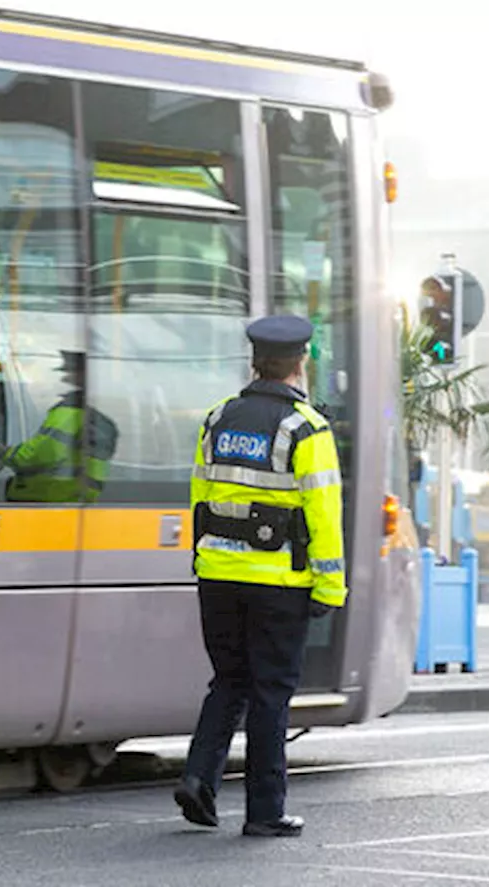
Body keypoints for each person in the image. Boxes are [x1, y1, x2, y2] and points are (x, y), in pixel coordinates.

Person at [173, 314, 347, 838]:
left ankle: (199, 779)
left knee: (228, 679)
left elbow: (200, 498)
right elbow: (323, 515)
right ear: (302, 362)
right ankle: (265, 811)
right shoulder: (306, 428)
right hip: (278, 584)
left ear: (256, 362)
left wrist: (204, 561)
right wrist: (330, 587)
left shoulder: (217, 419)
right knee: (271, 692)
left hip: (218, 576)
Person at [3, 350, 118, 503]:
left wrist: (5, 453)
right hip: (76, 499)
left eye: (69, 372)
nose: (65, 378)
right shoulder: (99, 415)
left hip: (51, 499)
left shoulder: (69, 412)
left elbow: (40, 454)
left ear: (82, 376)